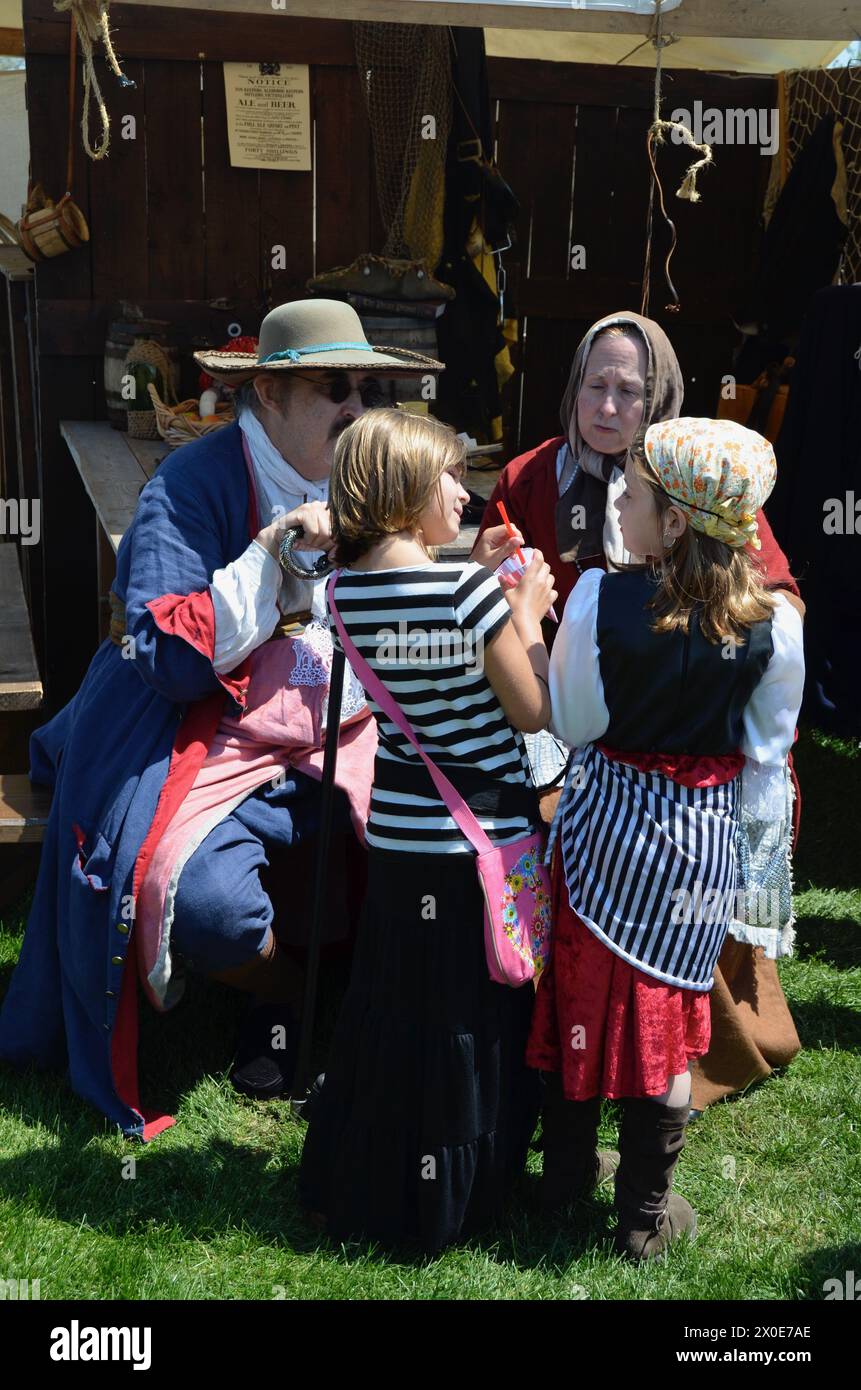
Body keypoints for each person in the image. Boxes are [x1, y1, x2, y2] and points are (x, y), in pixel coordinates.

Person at [0, 300, 443, 1139]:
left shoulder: (373, 477)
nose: (356, 407)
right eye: (333, 387)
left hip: (340, 728)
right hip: (202, 732)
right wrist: (270, 556)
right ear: (268, 395)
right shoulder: (191, 485)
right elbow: (165, 653)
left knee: (431, 842)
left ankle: (324, 1006)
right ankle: (289, 994)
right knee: (208, 907)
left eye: (367, 388)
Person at [476, 310, 805, 1114]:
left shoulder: (700, 476)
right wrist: (492, 570)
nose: (609, 406)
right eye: (595, 385)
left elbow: (772, 597)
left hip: (673, 724)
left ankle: (668, 1024)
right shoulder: (530, 477)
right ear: (572, 389)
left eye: (630, 391)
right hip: (558, 697)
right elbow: (497, 583)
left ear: (658, 401)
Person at [527, 417, 805, 1259]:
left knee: (577, 998)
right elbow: (765, 753)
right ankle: (642, 1217)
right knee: (670, 1012)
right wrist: (757, 880)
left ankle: (564, 1182)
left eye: (635, 492)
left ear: (677, 520)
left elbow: (572, 724)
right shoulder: (776, 625)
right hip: (698, 848)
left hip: (605, 832)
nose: (619, 498)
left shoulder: (594, 599)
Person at [299, 408, 555, 1253]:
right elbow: (531, 710)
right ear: (408, 493)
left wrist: (476, 582)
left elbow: (410, 624)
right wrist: (525, 608)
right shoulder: (469, 593)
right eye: (448, 477)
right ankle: (465, 1192)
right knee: (471, 1019)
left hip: (402, 839)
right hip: (480, 843)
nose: (463, 491)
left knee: (396, 1012)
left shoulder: (340, 592)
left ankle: (371, 1179)